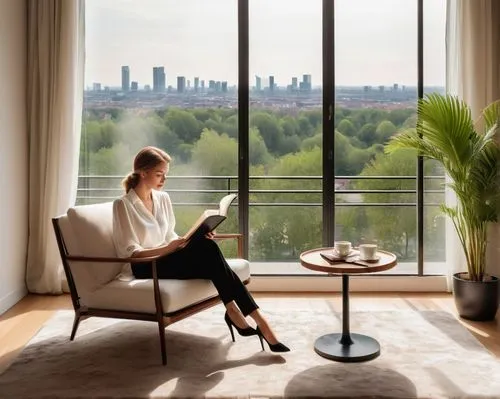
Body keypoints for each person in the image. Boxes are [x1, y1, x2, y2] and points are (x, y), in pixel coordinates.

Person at [112, 146, 290, 353]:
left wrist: (190, 239)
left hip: (169, 257)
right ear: (143, 173)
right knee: (209, 254)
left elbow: (170, 234)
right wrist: (166, 248)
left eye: (165, 175)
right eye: (159, 174)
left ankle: (236, 311)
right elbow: (130, 253)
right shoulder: (123, 205)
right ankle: (255, 320)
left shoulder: (162, 198)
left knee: (207, 246)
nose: (164, 180)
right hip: (145, 265)